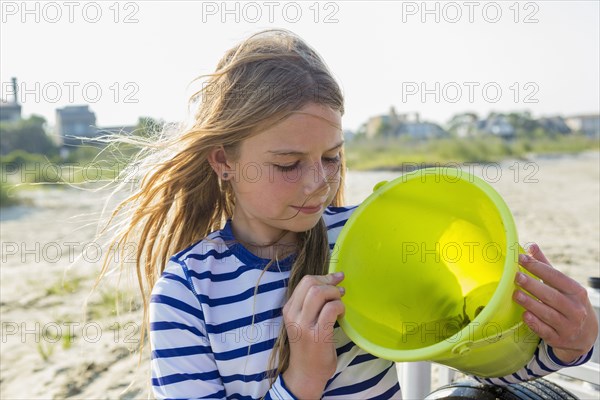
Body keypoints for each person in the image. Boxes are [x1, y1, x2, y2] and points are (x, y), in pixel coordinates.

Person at [102, 29, 597, 399]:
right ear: (224, 161)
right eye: (289, 164)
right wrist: (301, 381)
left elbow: (477, 358)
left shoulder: (365, 241)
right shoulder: (190, 291)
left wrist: (569, 344)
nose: (320, 182)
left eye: (332, 157)